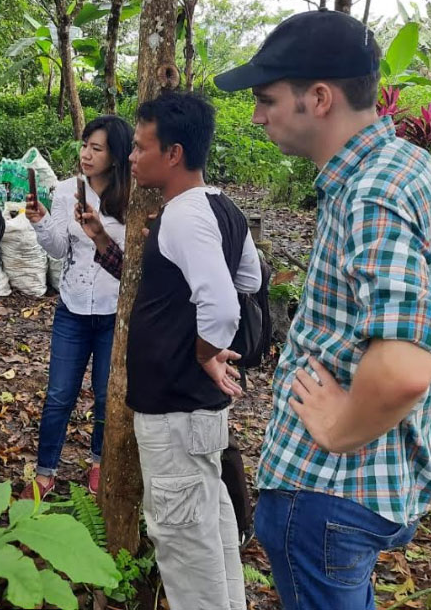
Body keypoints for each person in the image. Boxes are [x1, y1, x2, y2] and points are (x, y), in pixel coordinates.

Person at [215, 9, 431, 610]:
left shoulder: (371, 194)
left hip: (331, 493)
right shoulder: (411, 166)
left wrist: (340, 427)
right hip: (374, 485)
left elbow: (407, 369)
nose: (257, 115)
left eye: (266, 99)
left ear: (319, 97)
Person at [92, 92, 261, 610]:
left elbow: (223, 305)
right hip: (198, 414)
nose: (132, 158)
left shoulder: (187, 215)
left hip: (176, 411)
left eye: (141, 147)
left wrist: (206, 352)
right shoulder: (219, 207)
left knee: (185, 546)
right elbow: (250, 276)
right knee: (210, 529)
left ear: (174, 154)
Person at [19, 115, 133, 499]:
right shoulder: (66, 190)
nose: (85, 154)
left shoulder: (130, 196)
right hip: (72, 308)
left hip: (112, 311)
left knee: (105, 394)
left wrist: (99, 231)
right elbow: (58, 248)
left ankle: (98, 464)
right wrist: (40, 221)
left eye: (96, 148)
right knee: (58, 395)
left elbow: (131, 267)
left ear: (115, 156)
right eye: (84, 145)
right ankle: (45, 471)